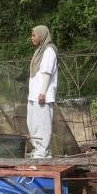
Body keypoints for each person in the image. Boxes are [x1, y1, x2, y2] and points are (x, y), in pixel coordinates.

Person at [27, 25, 58, 158]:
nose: (32, 38)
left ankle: (43, 150)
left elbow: (47, 72)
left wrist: (43, 92)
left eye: (34, 35)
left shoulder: (49, 50)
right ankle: (38, 149)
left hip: (42, 95)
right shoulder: (39, 51)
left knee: (43, 124)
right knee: (32, 123)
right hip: (34, 95)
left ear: (41, 35)